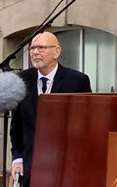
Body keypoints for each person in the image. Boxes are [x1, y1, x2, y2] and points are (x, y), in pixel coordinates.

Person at [10, 31, 92, 187]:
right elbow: (17, 127)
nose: (35, 52)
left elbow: (86, 127)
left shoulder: (77, 81)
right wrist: (17, 158)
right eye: (32, 48)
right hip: (31, 167)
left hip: (65, 168)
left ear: (57, 51)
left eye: (41, 48)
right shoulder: (21, 80)